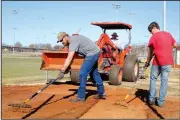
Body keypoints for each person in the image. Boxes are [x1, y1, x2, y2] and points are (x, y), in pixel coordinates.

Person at [57, 32, 106, 103]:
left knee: (83, 74)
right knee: (94, 73)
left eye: (62, 40)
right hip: (95, 52)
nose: (61, 42)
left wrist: (62, 71)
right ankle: (101, 93)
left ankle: (81, 97)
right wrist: (68, 67)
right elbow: (73, 56)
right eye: (60, 41)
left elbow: (69, 58)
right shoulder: (72, 41)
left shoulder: (73, 41)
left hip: (92, 54)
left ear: (66, 37)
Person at [144, 22, 177, 107]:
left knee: (153, 79)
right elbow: (175, 45)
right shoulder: (168, 34)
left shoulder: (153, 37)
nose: (151, 33)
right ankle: (161, 102)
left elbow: (150, 53)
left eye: (151, 31)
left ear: (154, 28)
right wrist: (167, 47)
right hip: (167, 62)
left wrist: (147, 62)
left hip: (157, 63)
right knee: (164, 81)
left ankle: (151, 100)